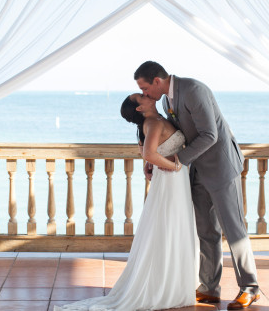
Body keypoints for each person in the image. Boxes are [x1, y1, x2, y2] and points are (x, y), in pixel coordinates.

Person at [54, 93, 199, 311]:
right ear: (140, 109)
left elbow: (148, 153)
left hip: (174, 181)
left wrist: (164, 162)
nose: (146, 94)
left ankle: (175, 283)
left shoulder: (157, 120)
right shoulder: (152, 122)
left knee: (173, 229)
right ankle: (167, 287)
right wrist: (175, 166)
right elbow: (150, 154)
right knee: (170, 228)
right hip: (171, 181)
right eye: (141, 96)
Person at [134, 61, 259, 310]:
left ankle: (250, 288)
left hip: (221, 167)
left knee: (234, 230)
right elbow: (175, 133)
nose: (145, 95)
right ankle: (209, 288)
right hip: (197, 171)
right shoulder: (167, 101)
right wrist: (153, 157)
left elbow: (210, 135)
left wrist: (178, 160)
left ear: (157, 82)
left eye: (145, 89)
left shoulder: (193, 90)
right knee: (206, 232)